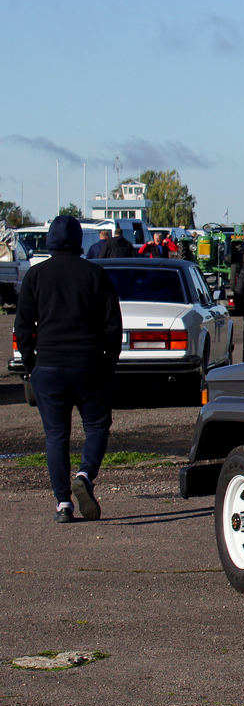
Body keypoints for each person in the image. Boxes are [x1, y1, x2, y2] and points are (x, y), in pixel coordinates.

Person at [15, 215, 122, 524]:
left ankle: (63, 503)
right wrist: (108, 363)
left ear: (49, 241)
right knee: (97, 427)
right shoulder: (95, 274)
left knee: (56, 436)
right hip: (89, 364)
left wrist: (31, 364)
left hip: (48, 366)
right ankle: (86, 474)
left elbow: (22, 327)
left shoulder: (35, 276)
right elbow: (113, 326)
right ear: (79, 241)